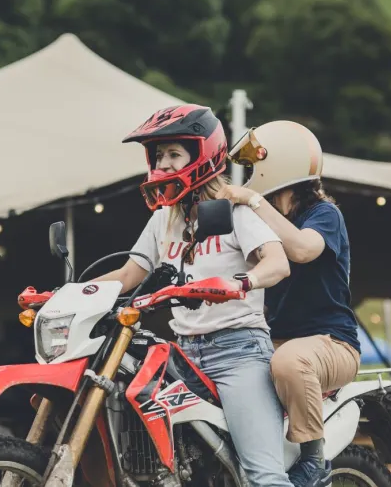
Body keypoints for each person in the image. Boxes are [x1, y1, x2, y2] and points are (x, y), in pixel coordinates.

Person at [93, 104, 295, 487]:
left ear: (202, 153)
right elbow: (129, 274)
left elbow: (278, 263)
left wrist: (243, 283)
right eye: (158, 155)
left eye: (173, 154)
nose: (163, 164)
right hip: (182, 356)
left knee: (264, 475)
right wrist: (72, 294)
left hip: (238, 352)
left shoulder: (232, 211)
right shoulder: (163, 218)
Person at [218, 120, 362, 487]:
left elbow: (301, 249)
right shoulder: (265, 223)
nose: (248, 177)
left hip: (331, 343)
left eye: (252, 167)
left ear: (277, 164)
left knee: (289, 362)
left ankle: (314, 460)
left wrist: (251, 200)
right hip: (272, 341)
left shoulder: (324, 215)